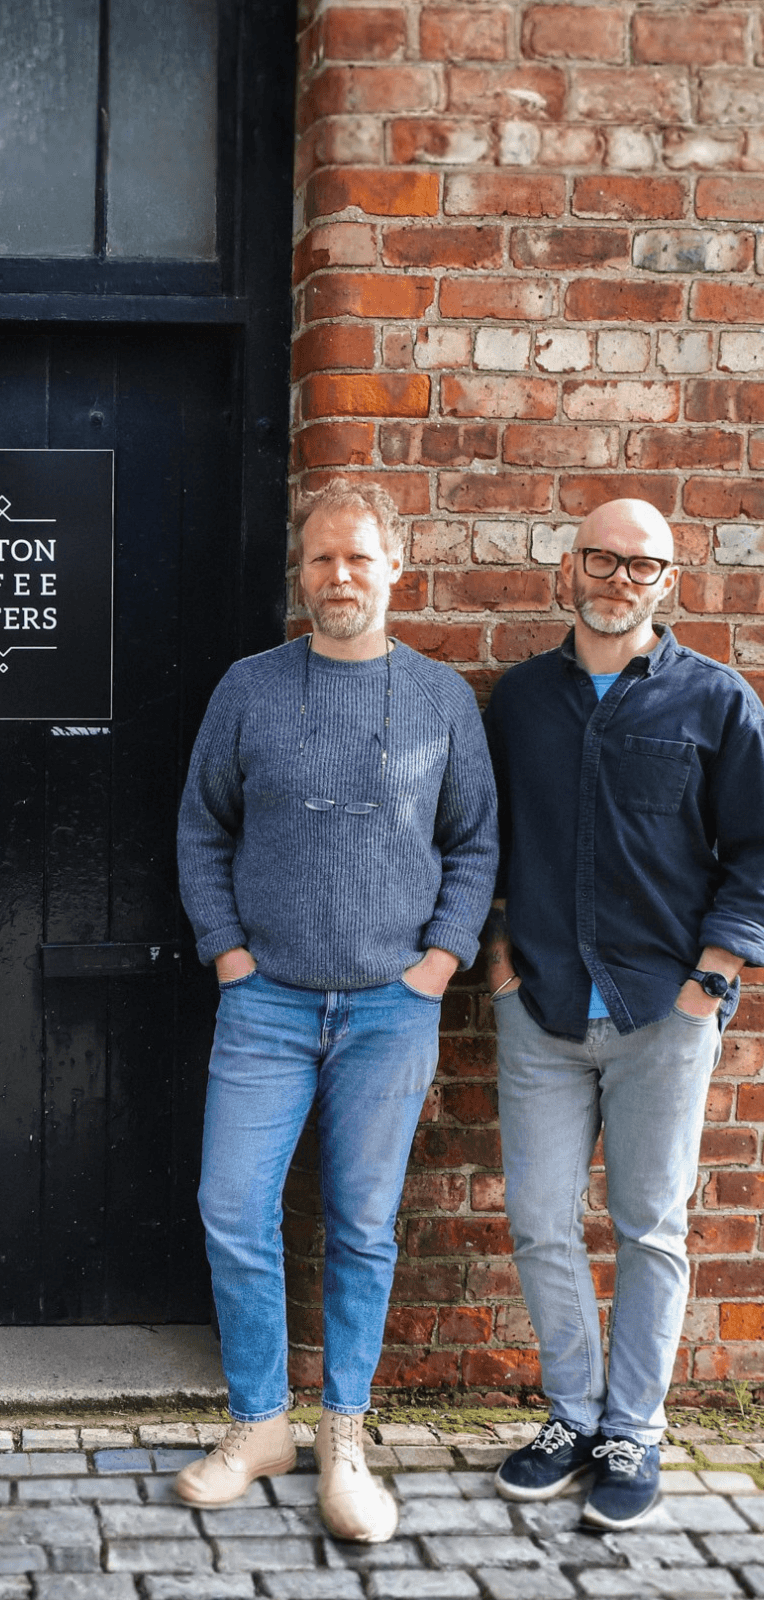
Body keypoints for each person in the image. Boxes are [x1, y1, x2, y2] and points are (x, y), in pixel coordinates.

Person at [174, 481, 498, 1542]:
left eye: (358, 558)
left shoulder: (442, 698)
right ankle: (260, 1422)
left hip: (388, 1010)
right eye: (321, 560)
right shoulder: (248, 689)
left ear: (392, 568)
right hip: (263, 1003)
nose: (339, 577)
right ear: (299, 574)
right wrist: (227, 954)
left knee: (361, 1226)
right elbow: (201, 830)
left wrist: (438, 962)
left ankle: (344, 1434)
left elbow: (475, 843)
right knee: (233, 1206)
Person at [484, 499, 764, 1530]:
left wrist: (710, 980)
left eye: (640, 564)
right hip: (541, 1006)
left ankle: (632, 1428)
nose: (617, 577)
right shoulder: (517, 702)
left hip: (663, 1009)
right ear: (570, 564)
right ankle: (571, 1413)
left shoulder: (716, 703)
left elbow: (756, 850)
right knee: (537, 1217)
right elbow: (487, 839)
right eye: (601, 557)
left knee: (650, 1226)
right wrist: (503, 962)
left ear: (667, 578)